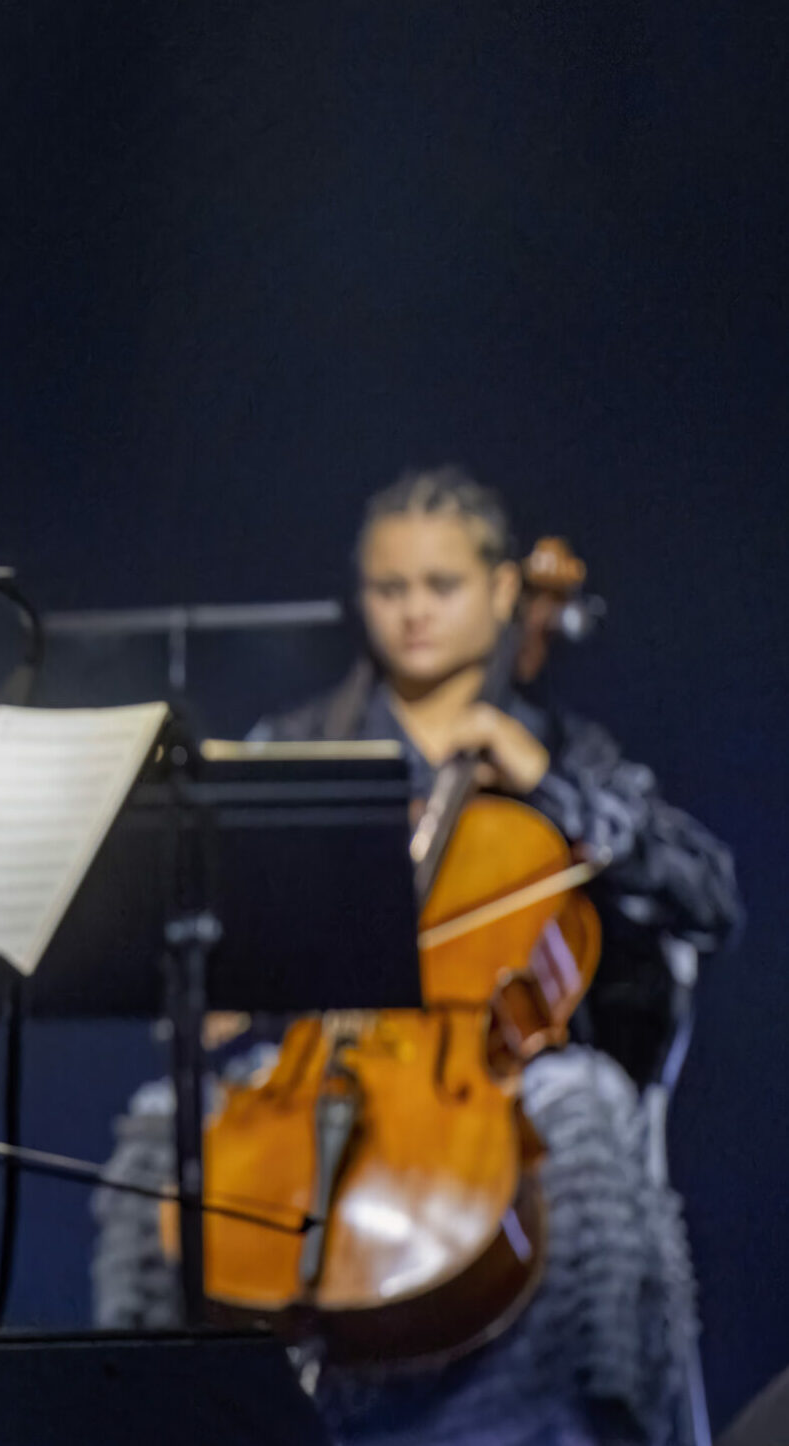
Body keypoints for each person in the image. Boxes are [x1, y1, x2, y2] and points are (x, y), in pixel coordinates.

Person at [90, 468, 740, 1446]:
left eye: (438, 587)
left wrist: (547, 786)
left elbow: (705, 898)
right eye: (387, 590)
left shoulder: (561, 749)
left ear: (501, 593)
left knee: (584, 1112)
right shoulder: (300, 747)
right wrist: (218, 982)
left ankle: (571, 1417)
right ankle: (168, 1409)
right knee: (159, 1129)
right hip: (316, 1067)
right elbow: (207, 960)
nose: (411, 614)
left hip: (489, 1080)